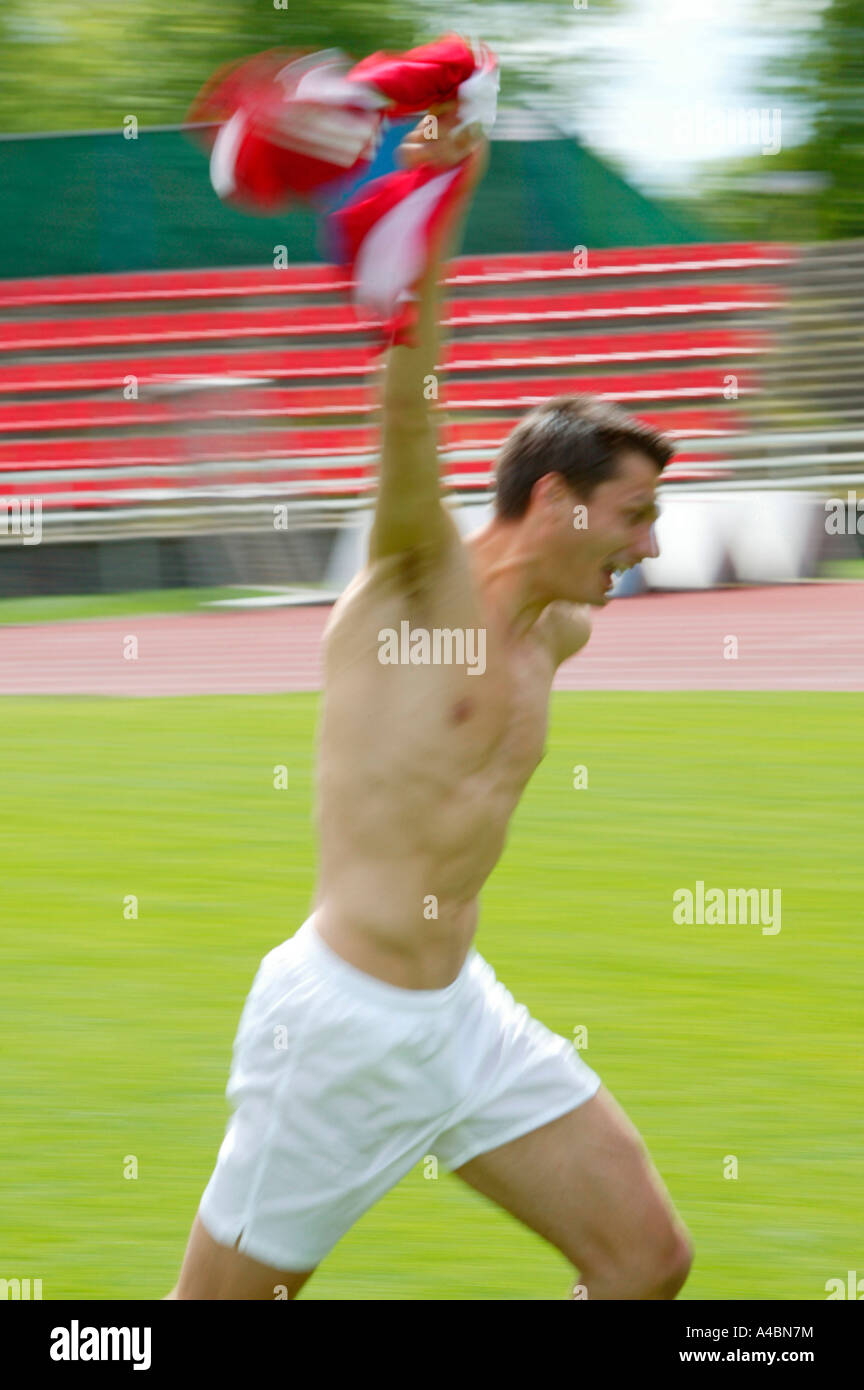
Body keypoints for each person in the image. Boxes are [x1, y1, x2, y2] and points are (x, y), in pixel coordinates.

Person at [166, 112, 691, 1301]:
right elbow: (410, 410)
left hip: (463, 1019)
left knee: (647, 1261)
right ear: (555, 503)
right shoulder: (413, 583)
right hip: (338, 1034)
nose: (650, 544)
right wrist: (435, 207)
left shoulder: (558, 626)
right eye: (633, 515)